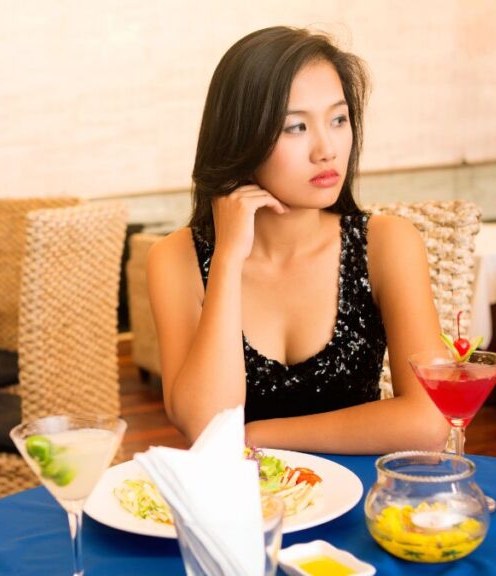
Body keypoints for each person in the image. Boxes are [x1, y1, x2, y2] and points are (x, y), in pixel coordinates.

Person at [147, 27, 449, 453]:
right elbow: (203, 426)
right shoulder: (176, 258)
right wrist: (229, 258)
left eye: (339, 120)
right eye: (295, 127)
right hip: (244, 507)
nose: (326, 149)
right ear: (241, 137)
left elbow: (429, 419)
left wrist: (256, 437)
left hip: (361, 500)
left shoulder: (386, 244)